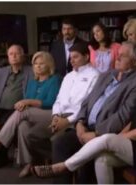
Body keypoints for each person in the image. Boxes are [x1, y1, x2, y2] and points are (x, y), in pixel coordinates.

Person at [31, 50, 136, 184]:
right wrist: (118, 137)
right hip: (135, 145)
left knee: (106, 140)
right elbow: (133, 120)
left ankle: (63, 166)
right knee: (102, 158)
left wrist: (118, 138)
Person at [49, 41, 136, 183]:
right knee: (60, 142)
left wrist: (96, 133)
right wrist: (80, 122)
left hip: (104, 134)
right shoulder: (107, 74)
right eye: (118, 54)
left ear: (135, 61)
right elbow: (86, 101)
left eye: (123, 56)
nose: (118, 58)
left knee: (88, 160)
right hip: (85, 127)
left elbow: (123, 116)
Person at [0, 51, 61, 177]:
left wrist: (28, 102)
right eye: (35, 64)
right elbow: (28, 101)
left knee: (23, 112)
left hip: (50, 113)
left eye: (42, 63)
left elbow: (51, 102)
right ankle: (28, 163)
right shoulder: (32, 81)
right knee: (22, 126)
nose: (38, 66)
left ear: (49, 64)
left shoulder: (55, 79)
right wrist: (23, 103)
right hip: (32, 113)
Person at [21, 42, 99, 177]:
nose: (71, 60)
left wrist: (67, 121)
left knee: (57, 141)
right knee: (30, 135)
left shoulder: (95, 75)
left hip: (76, 119)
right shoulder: (69, 76)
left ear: (86, 57)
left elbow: (87, 107)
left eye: (75, 57)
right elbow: (58, 100)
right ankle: (68, 164)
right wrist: (55, 116)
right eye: (70, 57)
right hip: (58, 116)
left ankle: (62, 169)